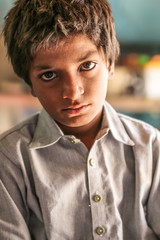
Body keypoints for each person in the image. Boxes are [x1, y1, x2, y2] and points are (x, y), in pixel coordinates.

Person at [0, 0, 160, 239]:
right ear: (29, 84)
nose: (73, 92)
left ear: (109, 64)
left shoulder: (151, 147)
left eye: (87, 66)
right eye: (49, 75)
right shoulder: (10, 158)